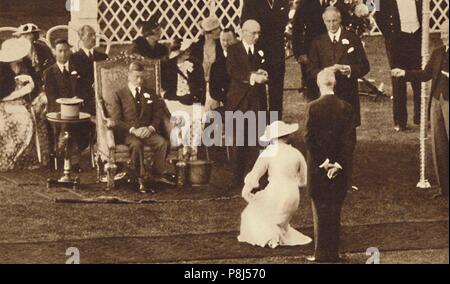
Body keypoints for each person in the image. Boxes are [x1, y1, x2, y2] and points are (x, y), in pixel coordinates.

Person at [391, 21, 449, 198]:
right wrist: (405, 73)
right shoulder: (438, 52)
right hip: (437, 102)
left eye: (447, 32)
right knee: (439, 146)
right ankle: (445, 188)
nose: (443, 35)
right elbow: (425, 74)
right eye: (442, 31)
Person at [304, 70, 356, 262]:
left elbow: (309, 139)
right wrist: (338, 163)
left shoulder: (312, 108)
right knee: (335, 210)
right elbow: (350, 140)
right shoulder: (346, 107)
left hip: (319, 169)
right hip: (339, 169)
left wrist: (324, 162)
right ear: (334, 84)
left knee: (319, 210)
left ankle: (321, 254)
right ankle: (333, 253)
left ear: (319, 84)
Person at [238, 120, 312, 248]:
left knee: (249, 213)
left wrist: (246, 191)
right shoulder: (296, 153)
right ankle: (276, 231)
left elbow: (255, 174)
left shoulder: (269, 152)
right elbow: (304, 180)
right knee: (267, 210)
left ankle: (272, 236)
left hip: (276, 193)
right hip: (293, 196)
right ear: (288, 136)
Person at [107, 62, 174, 193]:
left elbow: (157, 115)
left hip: (147, 131)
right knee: (136, 145)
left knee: (162, 143)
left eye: (142, 77)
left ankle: (156, 175)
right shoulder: (119, 94)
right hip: (129, 133)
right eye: (136, 77)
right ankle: (141, 178)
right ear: (129, 76)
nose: (139, 80)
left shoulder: (150, 93)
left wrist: (150, 128)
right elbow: (117, 120)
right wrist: (133, 130)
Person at [308, 6, 370, 128]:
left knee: (348, 130)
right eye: (328, 21)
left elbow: (365, 66)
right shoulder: (317, 42)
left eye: (334, 20)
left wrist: (350, 69)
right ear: (324, 21)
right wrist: (325, 72)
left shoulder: (352, 38)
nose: (332, 25)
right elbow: (311, 70)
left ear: (340, 19)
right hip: (325, 95)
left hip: (347, 93)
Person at [226, 20, 269, 189]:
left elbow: (265, 67)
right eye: (253, 33)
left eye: (258, 33)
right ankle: (236, 180)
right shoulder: (233, 49)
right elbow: (233, 71)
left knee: (255, 141)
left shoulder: (260, 49)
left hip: (256, 101)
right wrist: (252, 76)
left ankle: (253, 179)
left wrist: (262, 72)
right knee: (238, 141)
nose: (257, 37)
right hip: (238, 101)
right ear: (243, 32)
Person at [0, 38, 49, 171]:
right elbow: (2, 94)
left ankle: (28, 158)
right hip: (6, 104)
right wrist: (19, 89)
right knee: (20, 119)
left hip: (25, 102)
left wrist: (30, 84)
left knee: (29, 115)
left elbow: (37, 85)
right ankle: (11, 157)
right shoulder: (3, 71)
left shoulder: (26, 67)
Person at [375, 0, 423, 131]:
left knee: (418, 77)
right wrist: (389, 35)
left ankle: (421, 117)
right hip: (396, 38)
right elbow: (376, 12)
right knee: (398, 79)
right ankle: (400, 121)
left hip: (416, 35)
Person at [43, 38, 88, 172]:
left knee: (87, 124)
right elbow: (52, 97)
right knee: (67, 124)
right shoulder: (49, 73)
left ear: (70, 51)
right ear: (55, 53)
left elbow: (86, 90)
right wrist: (68, 103)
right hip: (58, 110)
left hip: (79, 109)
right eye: (60, 51)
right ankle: (71, 160)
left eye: (65, 50)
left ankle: (73, 154)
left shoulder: (77, 70)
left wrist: (79, 100)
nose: (63, 54)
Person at [241, 0, 290, 119]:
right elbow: (245, 24)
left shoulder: (282, 2)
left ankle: (275, 124)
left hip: (277, 52)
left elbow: (284, 23)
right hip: (258, 51)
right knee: (259, 90)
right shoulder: (251, 2)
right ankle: (261, 124)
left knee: (276, 90)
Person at [292, 0, 331, 101]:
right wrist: (299, 53)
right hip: (309, 54)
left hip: (329, 51)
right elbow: (297, 29)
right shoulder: (305, 3)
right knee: (312, 88)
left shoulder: (330, 3)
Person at [71, 25, 108, 116]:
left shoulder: (102, 57)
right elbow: (74, 81)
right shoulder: (74, 58)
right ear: (82, 37)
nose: (94, 37)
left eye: (94, 35)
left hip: (102, 94)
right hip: (83, 95)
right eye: (90, 35)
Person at [190, 16, 226, 112]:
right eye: (216, 29)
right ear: (208, 33)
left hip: (216, 87)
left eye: (219, 28)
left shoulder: (222, 47)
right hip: (199, 87)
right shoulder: (195, 48)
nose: (219, 30)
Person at [161, 39, 205, 106]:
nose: (189, 52)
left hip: (192, 100)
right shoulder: (168, 65)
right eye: (185, 51)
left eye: (188, 50)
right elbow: (164, 85)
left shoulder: (194, 63)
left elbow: (200, 82)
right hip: (173, 100)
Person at [14, 23, 55, 90]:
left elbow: (51, 64)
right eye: (25, 35)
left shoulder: (43, 48)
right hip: (23, 80)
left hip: (41, 79)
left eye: (32, 34)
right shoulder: (16, 50)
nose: (29, 37)